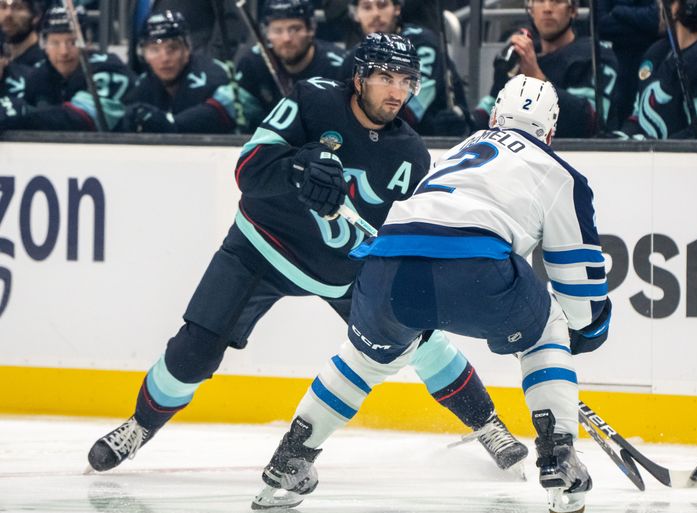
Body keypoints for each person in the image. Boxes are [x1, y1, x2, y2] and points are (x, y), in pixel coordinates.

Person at [87, 33, 527, 477]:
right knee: (195, 352)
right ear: (359, 77)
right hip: (260, 248)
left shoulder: (410, 154)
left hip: (346, 270)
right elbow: (248, 169)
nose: (397, 92)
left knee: (422, 340)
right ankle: (138, 427)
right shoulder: (313, 101)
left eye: (407, 81)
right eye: (386, 77)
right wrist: (296, 169)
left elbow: (405, 231)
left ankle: (488, 425)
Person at [255, 74, 611, 513]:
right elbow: (577, 284)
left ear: (494, 115)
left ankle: (288, 463)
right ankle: (559, 459)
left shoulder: (461, 150)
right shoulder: (559, 173)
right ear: (552, 131)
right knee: (548, 330)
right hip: (476, 270)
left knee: (362, 359)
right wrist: (587, 328)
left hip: (387, 267)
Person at [473, 0, 620, 137]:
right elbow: (491, 107)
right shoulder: (518, 54)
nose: (547, 9)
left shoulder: (594, 55)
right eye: (540, 1)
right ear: (530, 9)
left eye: (557, 1)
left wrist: (536, 77)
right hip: (516, 151)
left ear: (573, 10)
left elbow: (590, 121)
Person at [340, 0, 472, 136]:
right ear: (356, 14)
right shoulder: (353, 56)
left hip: (432, 140)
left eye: (382, 5)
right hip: (378, 138)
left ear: (397, 9)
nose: (376, 14)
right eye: (367, 7)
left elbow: (408, 112)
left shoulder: (422, 43)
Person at [617, 0, 697, 139]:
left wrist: (652, 147)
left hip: (691, 159)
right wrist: (620, 139)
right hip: (657, 155)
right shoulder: (657, 52)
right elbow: (638, 119)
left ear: (680, 7)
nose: (659, 6)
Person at [0, 6, 134, 131]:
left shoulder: (108, 68)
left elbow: (82, 119)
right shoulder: (38, 75)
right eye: (55, 43)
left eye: (72, 42)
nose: (64, 51)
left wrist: (24, 112)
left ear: (88, 42)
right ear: (44, 45)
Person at [122, 10, 240, 134]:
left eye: (172, 48)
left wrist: (171, 123)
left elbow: (226, 109)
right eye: (155, 50)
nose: (165, 58)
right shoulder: (143, 84)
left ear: (187, 49)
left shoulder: (213, 74)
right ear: (144, 55)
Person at [236, 0, 345, 132]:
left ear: (311, 29)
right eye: (277, 30)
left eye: (295, 29)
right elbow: (244, 121)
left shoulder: (339, 66)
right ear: (266, 33)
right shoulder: (251, 63)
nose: (286, 38)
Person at [597, 0, 660, 122]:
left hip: (650, 58)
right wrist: (642, 28)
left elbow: (655, 19)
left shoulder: (616, 9)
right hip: (618, 60)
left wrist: (618, 11)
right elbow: (601, 24)